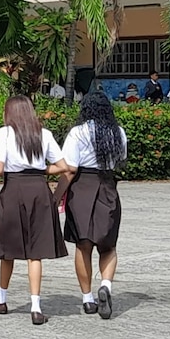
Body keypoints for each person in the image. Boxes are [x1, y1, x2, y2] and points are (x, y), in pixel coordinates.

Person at [0, 95, 69, 325]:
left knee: (7, 248)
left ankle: (1, 298)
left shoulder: (5, 133)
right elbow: (63, 166)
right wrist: (41, 169)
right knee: (35, 252)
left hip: (13, 189)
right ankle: (35, 305)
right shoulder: (43, 134)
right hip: (39, 190)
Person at [55, 92, 127, 319]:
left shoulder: (78, 132)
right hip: (107, 187)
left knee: (82, 245)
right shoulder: (118, 132)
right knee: (108, 245)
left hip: (82, 189)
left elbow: (70, 169)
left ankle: (87, 299)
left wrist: (55, 197)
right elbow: (120, 160)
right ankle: (105, 284)